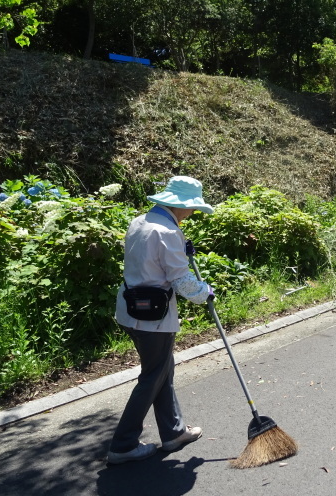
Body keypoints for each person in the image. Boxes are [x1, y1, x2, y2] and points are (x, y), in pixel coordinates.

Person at [107, 176, 214, 465]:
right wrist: (206, 292)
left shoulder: (139, 222)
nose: (192, 213)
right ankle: (123, 445)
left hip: (130, 309)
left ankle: (174, 433)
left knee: (163, 370)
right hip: (153, 317)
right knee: (154, 376)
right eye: (191, 208)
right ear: (179, 205)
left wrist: (181, 251)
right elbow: (181, 281)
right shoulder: (168, 231)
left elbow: (150, 260)